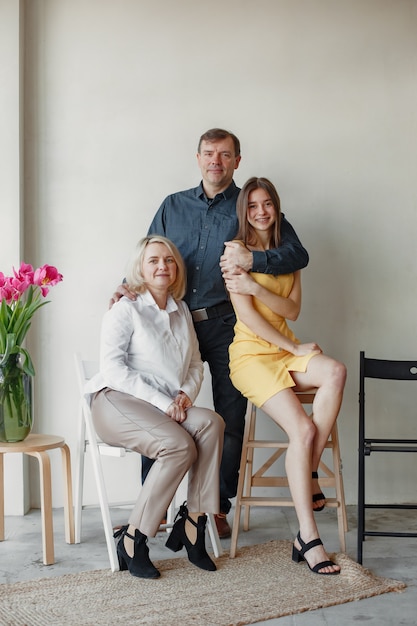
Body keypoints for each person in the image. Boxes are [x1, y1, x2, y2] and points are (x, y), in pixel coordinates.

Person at [110, 128, 309, 538]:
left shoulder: (248, 206)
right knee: (158, 413)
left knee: (228, 417)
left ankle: (214, 508)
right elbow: (150, 251)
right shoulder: (173, 205)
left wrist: (254, 257)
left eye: (224, 154)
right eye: (208, 153)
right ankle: (155, 509)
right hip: (174, 321)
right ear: (198, 158)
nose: (215, 160)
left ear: (238, 160)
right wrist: (125, 283)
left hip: (227, 325)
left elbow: (297, 254)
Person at [223, 176, 346, 575]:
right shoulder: (233, 254)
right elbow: (249, 319)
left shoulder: (287, 254)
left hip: (285, 347)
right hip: (252, 356)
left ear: (277, 207)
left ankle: (307, 470)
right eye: (253, 205)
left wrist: (256, 288)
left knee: (335, 372)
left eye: (267, 204)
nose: (261, 212)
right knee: (304, 431)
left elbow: (292, 310)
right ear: (244, 211)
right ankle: (308, 536)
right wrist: (293, 348)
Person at [86, 235, 224, 578]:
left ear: (176, 269)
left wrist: (185, 397)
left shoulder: (181, 314)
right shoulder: (126, 308)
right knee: (178, 446)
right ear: (141, 269)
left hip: (165, 409)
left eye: (169, 260)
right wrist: (165, 402)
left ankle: (194, 522)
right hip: (115, 403)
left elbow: (194, 365)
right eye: (153, 261)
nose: (162, 266)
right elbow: (114, 369)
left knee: (212, 423)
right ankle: (134, 538)